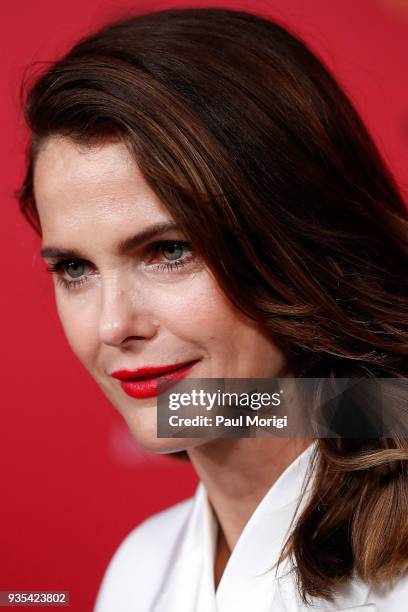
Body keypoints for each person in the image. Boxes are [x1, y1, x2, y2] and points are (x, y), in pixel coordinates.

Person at [17, 7, 408, 611]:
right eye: (75, 269)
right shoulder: (140, 571)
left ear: (300, 242)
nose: (113, 325)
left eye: (169, 251)